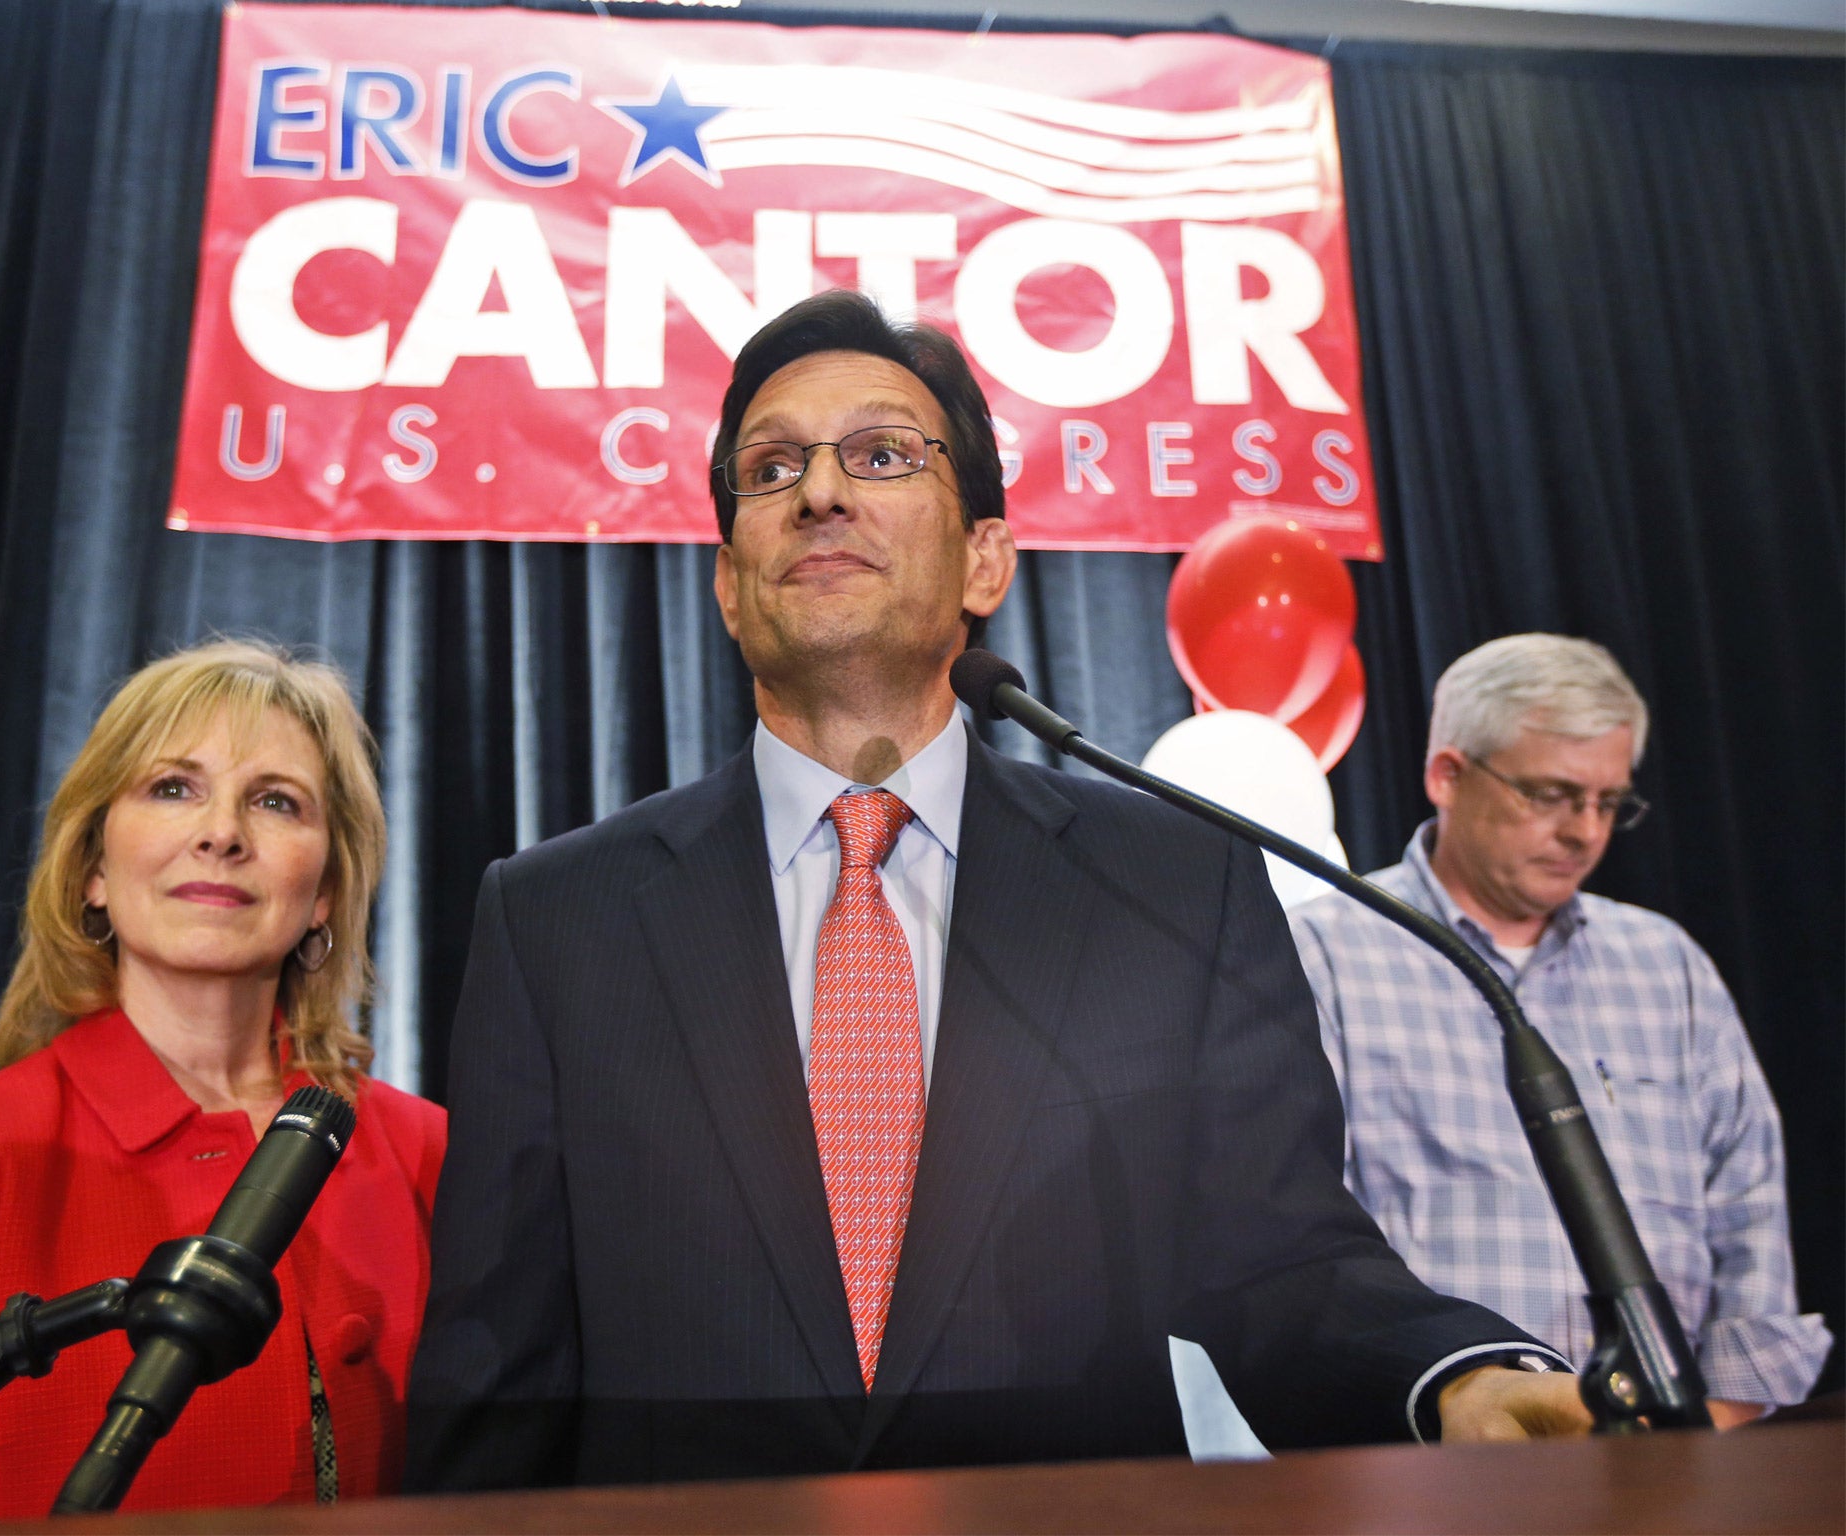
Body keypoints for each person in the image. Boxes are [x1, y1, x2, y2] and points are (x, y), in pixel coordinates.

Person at [404, 291, 1590, 1492]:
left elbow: (1276, 1262)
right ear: (727, 582)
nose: (818, 491)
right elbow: (500, 1367)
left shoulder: (1174, 883)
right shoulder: (556, 920)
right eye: (771, 469)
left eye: (879, 454)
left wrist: (1454, 1379)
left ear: (985, 559)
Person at [0, 639, 446, 1516]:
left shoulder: (430, 1153)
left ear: (325, 889)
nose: (222, 832)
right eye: (172, 788)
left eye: (275, 801)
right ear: (94, 868)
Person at [1290, 634, 1832, 1427]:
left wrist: (1718, 1423)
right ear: (1448, 775)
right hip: (1450, 1460)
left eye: (1609, 802)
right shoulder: (1324, 953)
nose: (1586, 831)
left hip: (1677, 1454)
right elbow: (1303, 1242)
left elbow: (1748, 1212)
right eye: (1550, 794)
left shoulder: (1665, 964)